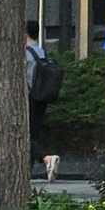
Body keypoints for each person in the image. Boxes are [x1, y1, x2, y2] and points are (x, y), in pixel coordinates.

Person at [24, 21, 60, 183]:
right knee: (34, 131)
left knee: (25, 133)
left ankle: (46, 159)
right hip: (42, 96)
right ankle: (26, 170)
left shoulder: (25, 52)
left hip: (29, 96)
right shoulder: (40, 50)